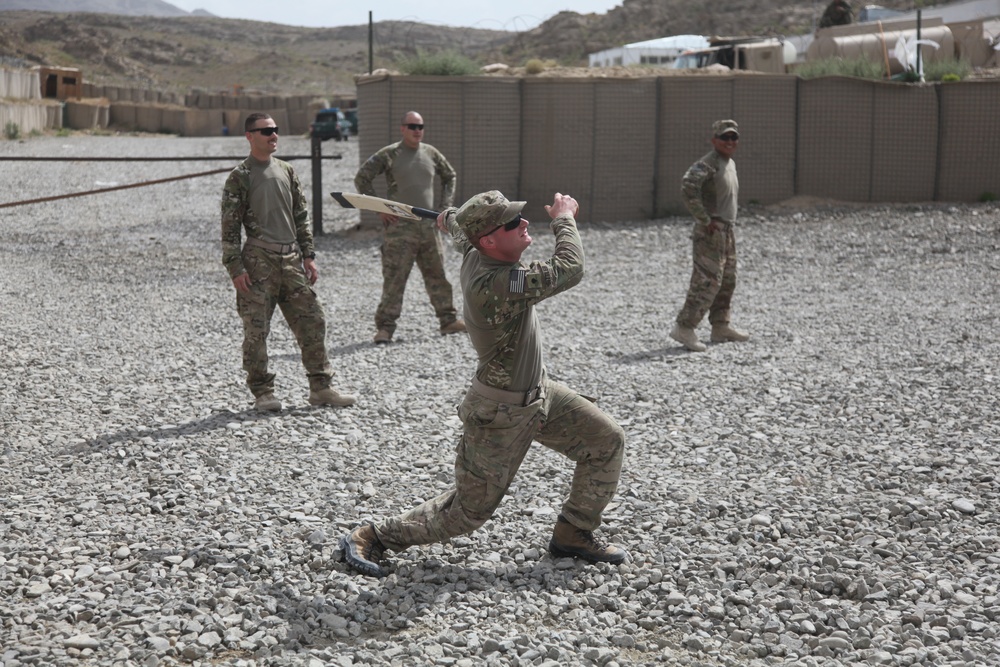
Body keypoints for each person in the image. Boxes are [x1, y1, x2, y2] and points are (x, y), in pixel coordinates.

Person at [339, 190, 628, 578]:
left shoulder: (478, 250)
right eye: (513, 223)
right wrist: (563, 218)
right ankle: (372, 535)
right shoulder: (496, 282)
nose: (525, 224)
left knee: (606, 440)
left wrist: (452, 219)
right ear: (490, 241)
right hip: (502, 412)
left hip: (539, 394)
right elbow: (570, 268)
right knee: (467, 513)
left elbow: (461, 231)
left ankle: (573, 532)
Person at [221, 112, 356, 411]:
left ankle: (321, 388)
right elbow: (229, 228)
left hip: (292, 260)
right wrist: (235, 267)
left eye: (275, 130)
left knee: (313, 321)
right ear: (249, 136)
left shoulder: (287, 171)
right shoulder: (240, 177)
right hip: (258, 261)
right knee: (256, 330)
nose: (273, 135)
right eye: (266, 131)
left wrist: (309, 255)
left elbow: (301, 216)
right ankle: (263, 393)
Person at [354, 110, 466, 344]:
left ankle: (448, 321)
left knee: (437, 275)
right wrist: (379, 208)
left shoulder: (431, 153)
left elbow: (450, 176)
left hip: (428, 227)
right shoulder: (390, 154)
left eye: (420, 126)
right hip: (399, 229)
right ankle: (385, 328)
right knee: (395, 278)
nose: (417, 131)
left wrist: (444, 208)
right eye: (412, 126)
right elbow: (362, 178)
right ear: (402, 128)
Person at [669, 119, 750, 353]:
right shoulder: (708, 163)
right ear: (714, 140)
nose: (730, 142)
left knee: (727, 279)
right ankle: (684, 327)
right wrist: (704, 219)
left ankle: (720, 325)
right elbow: (688, 186)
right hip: (711, 233)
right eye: (725, 137)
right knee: (706, 281)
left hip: (727, 231)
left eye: (734, 137)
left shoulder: (729, 162)